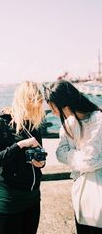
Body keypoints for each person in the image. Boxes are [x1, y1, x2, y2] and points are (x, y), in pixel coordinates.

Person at [0, 81, 46, 234]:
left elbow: (39, 153)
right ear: (24, 100)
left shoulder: (34, 124)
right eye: (33, 105)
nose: (36, 110)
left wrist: (41, 161)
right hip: (8, 199)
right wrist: (20, 145)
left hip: (33, 198)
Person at [44, 79, 102, 234]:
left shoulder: (98, 119)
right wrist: (83, 157)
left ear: (66, 106)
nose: (54, 113)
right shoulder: (68, 125)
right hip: (82, 192)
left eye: (53, 108)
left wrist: (75, 156)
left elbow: (92, 160)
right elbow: (59, 153)